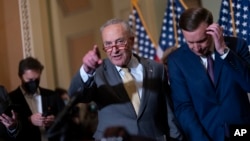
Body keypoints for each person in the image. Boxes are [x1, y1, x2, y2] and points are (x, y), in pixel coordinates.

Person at [68, 18, 184, 141]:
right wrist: (86, 70)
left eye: (119, 42)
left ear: (132, 41)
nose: (114, 50)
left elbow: (168, 114)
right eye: (108, 44)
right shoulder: (98, 71)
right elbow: (75, 95)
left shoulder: (156, 69)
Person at [167, 7, 250, 141]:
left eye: (201, 41)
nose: (196, 47)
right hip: (206, 135)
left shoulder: (237, 46)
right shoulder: (177, 61)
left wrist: (224, 51)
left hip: (242, 132)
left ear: (212, 29)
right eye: (190, 42)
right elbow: (183, 107)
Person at [8, 57, 64, 141]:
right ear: (20, 76)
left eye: (37, 79)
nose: (33, 83)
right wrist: (29, 120)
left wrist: (55, 121)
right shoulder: (11, 99)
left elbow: (66, 120)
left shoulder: (52, 96)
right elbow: (8, 130)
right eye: (30, 79)